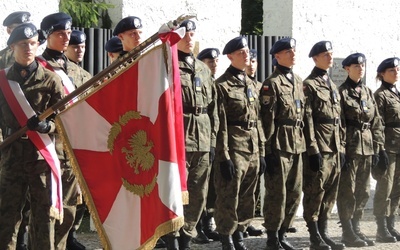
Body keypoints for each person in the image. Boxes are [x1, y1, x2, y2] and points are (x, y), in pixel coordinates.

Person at [0, 22, 64, 249]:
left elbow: (64, 120)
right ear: (12, 48)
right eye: (23, 44)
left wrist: (48, 127)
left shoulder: (51, 80)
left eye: (33, 43)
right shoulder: (2, 81)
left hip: (40, 158)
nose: (29, 48)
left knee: (43, 218)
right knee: (6, 217)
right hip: (11, 157)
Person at [165, 19, 219, 250]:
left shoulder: (203, 69)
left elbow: (214, 108)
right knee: (175, 193)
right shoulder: (168, 67)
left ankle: (187, 237)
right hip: (179, 139)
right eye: (184, 33)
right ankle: (172, 239)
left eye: (192, 33)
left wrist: (214, 141)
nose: (189, 37)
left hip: (203, 139)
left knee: (198, 193)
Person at [39, 12, 91, 250]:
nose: (66, 38)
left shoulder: (78, 72)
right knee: (47, 210)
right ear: (48, 35)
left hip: (72, 149)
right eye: (60, 33)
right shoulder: (38, 68)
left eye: (68, 33)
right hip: (46, 148)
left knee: (69, 209)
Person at [214, 36, 266, 250]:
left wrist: (261, 150)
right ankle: (226, 237)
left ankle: (240, 233)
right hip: (234, 146)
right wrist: (223, 155)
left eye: (247, 51)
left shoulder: (251, 84)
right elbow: (221, 124)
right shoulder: (222, 85)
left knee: (247, 194)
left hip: (252, 145)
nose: (246, 55)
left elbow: (257, 119)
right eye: (240, 52)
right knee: (229, 194)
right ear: (230, 56)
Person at [337, 52, 387, 247]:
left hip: (367, 147)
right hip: (350, 147)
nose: (360, 68)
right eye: (356, 66)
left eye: (362, 65)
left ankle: (356, 227)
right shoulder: (341, 92)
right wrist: (341, 150)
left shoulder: (367, 92)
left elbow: (376, 122)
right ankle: (347, 231)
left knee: (363, 191)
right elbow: (339, 124)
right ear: (347, 69)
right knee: (347, 191)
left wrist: (379, 147)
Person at [260, 37, 305, 250]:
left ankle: (283, 232)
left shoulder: (298, 81)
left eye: (293, 50)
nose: (293, 53)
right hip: (279, 143)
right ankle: (272, 237)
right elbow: (267, 120)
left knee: (295, 192)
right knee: (277, 193)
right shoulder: (271, 83)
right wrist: (267, 150)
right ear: (277, 56)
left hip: (297, 143)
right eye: (288, 51)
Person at [302, 41, 345, 250]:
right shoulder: (309, 85)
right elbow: (307, 119)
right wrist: (312, 148)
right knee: (315, 191)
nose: (330, 58)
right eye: (325, 55)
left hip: (334, 146)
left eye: (331, 54)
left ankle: (324, 231)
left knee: (330, 192)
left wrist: (342, 146)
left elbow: (339, 119)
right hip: (320, 145)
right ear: (315, 58)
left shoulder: (332, 85)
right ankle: (314, 236)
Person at [64, 28, 92, 250]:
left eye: (83, 46)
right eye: (76, 46)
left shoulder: (86, 76)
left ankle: (71, 234)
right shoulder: (57, 71)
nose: (80, 50)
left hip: (83, 140)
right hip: (62, 140)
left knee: (79, 193)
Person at [191, 47, 221, 245]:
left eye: (215, 62)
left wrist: (213, 142)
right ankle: (196, 228)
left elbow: (215, 115)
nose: (214, 65)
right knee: (196, 187)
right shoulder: (199, 79)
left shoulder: (213, 83)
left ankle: (206, 223)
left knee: (209, 189)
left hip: (208, 140)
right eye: (210, 62)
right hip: (193, 140)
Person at [373, 57, 400, 243]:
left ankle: (391, 224)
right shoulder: (380, 95)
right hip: (388, 148)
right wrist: (380, 148)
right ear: (382, 74)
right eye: (392, 70)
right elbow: (378, 124)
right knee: (385, 188)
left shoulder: (396, 93)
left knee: (397, 189)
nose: (396, 72)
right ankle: (381, 228)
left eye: (397, 69)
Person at [244, 48, 264, 238]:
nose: (251, 64)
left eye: (254, 61)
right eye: (248, 61)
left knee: (253, 187)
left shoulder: (260, 87)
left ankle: (247, 221)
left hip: (256, 141)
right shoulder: (239, 85)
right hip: (240, 142)